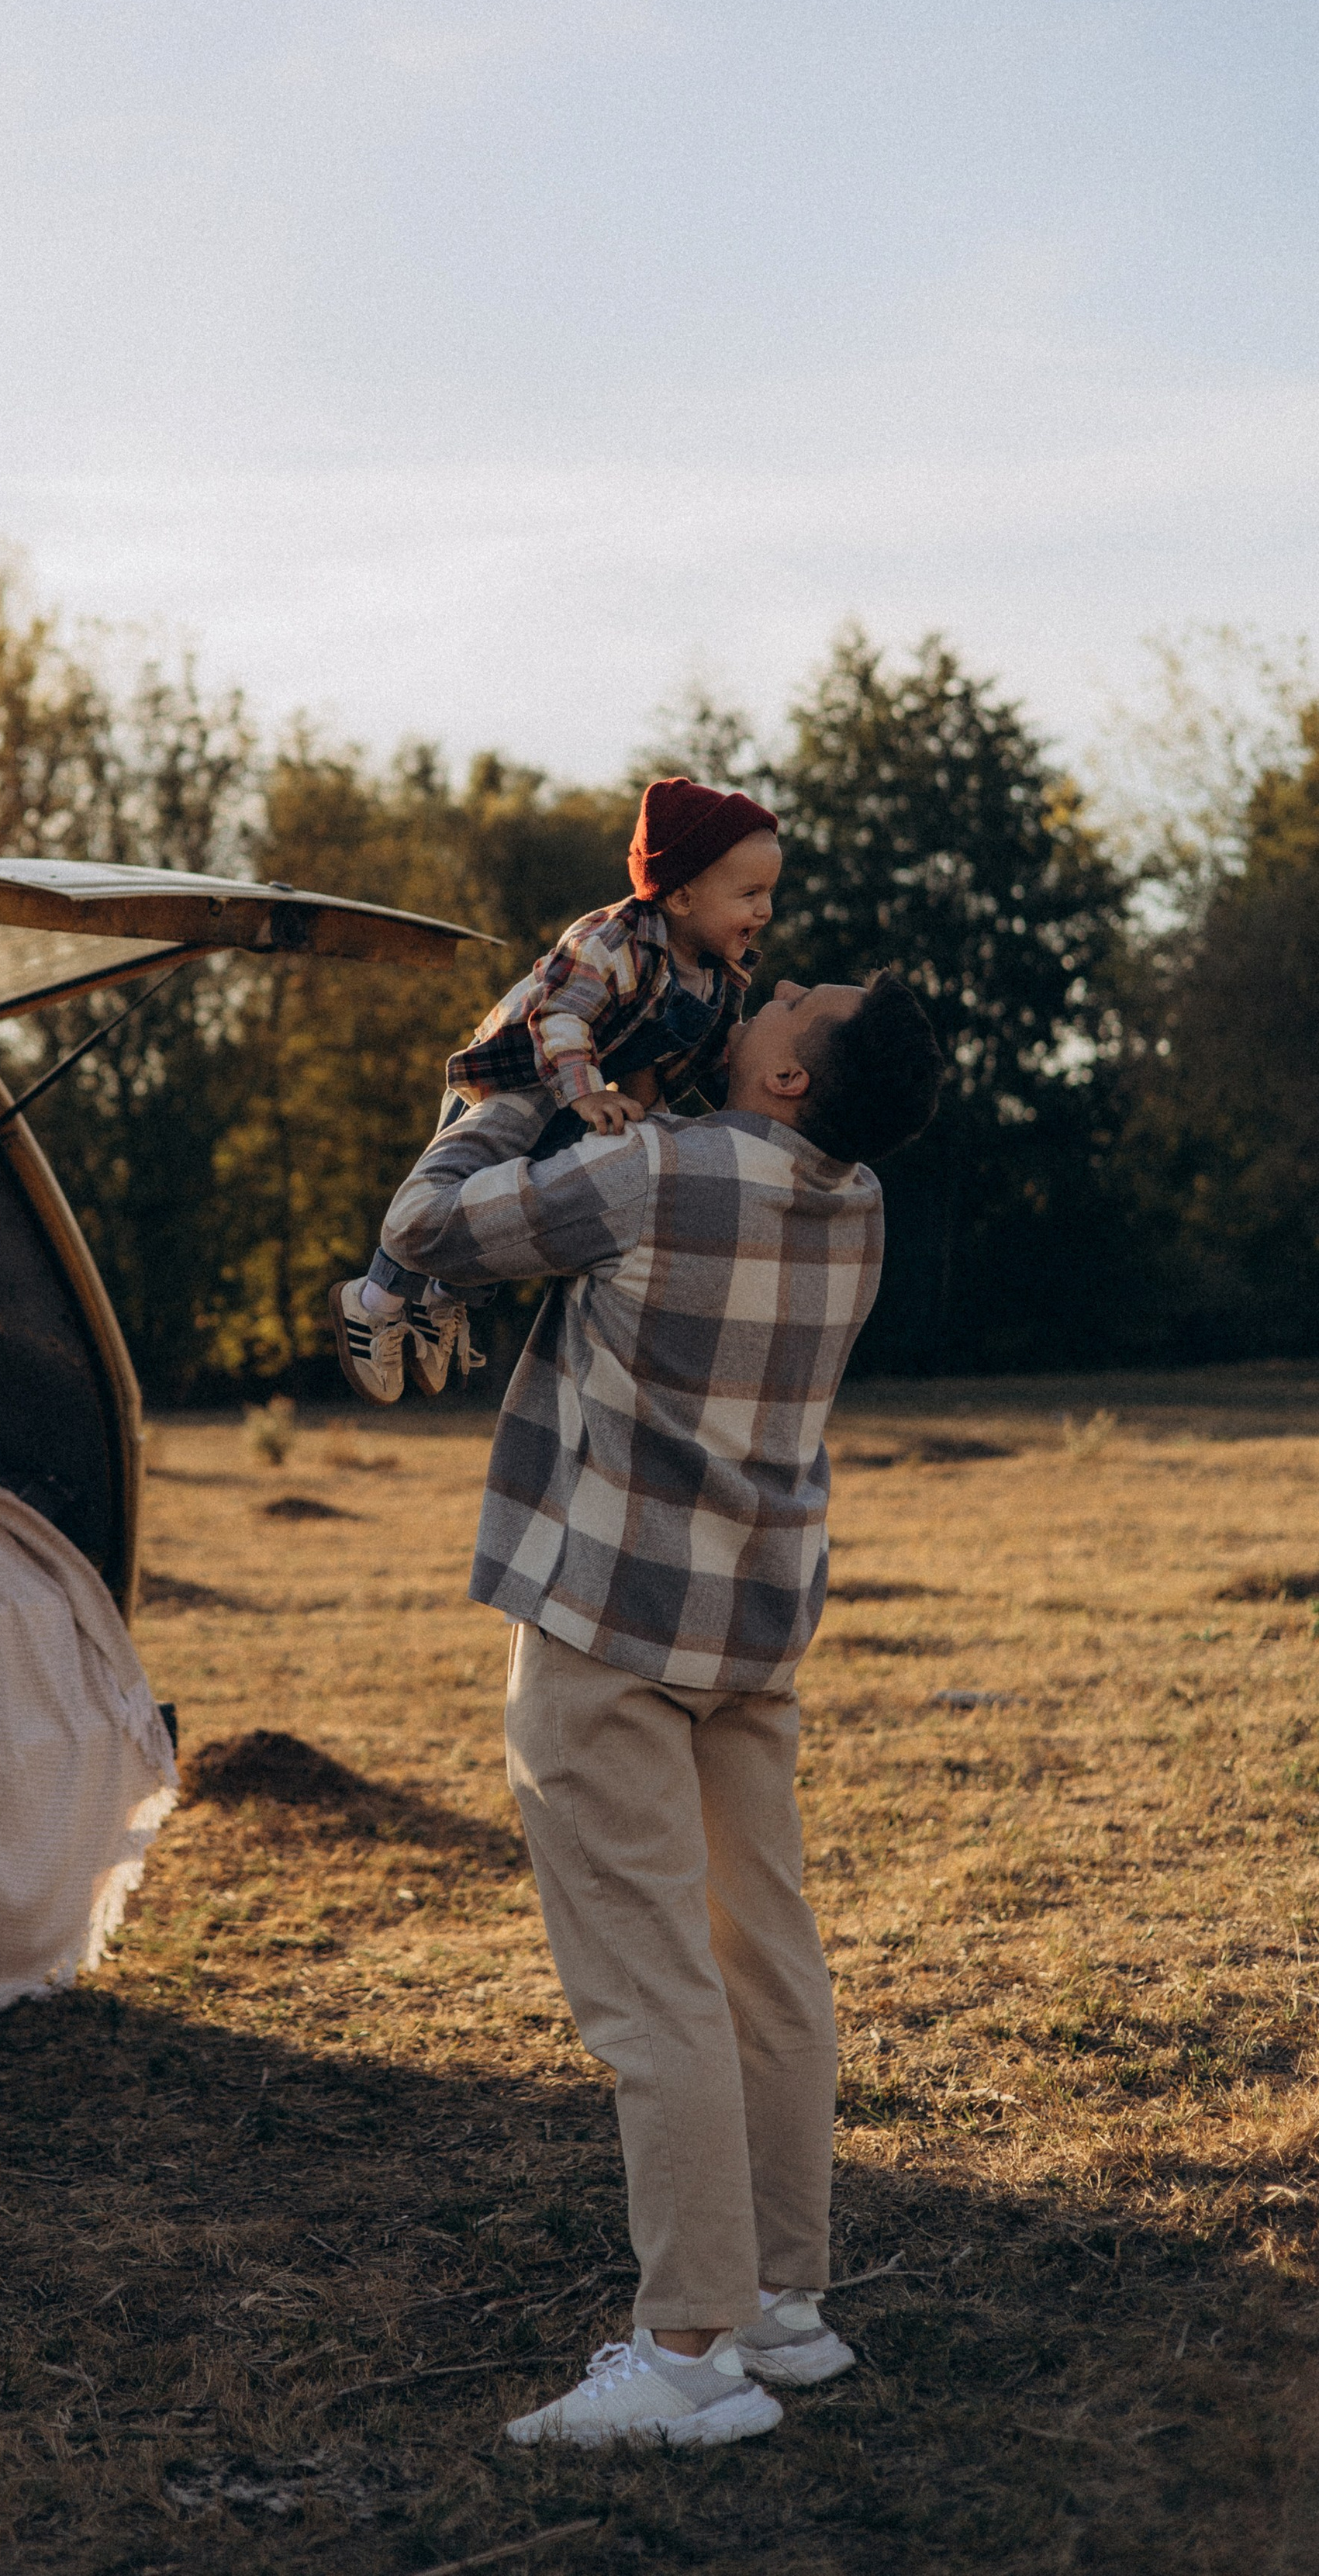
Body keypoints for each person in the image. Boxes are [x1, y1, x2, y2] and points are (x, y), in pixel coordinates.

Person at [378, 970, 944, 2446]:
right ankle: (782, 2307)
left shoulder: (654, 1172)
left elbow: (426, 1231)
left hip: (609, 1626)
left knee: (650, 1992)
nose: (780, 983)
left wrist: (499, 1095)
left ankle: (687, 2354)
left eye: (806, 999)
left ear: (792, 1079)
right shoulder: (861, 1199)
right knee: (766, 1960)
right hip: (750, 1631)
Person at [330, 776, 781, 1407]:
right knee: (467, 1172)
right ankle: (373, 1300)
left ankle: (441, 1305)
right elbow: (560, 1018)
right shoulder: (613, 940)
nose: (764, 912)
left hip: (586, 1092)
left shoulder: (720, 978)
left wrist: (756, 1134)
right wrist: (585, 1092)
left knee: (504, 1205)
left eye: (769, 894)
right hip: (517, 1075)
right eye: (750, 894)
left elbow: (713, 1066)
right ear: (680, 896)